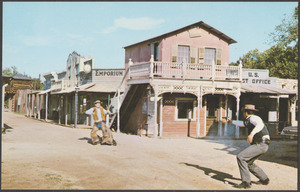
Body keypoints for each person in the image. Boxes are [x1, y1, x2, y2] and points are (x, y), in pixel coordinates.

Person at [227, 104, 270, 189]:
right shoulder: (250, 119)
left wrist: (251, 134)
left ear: (245, 113)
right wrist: (231, 121)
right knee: (249, 163)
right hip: (263, 144)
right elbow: (242, 123)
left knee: (241, 157)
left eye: (243, 112)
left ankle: (246, 182)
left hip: (261, 144)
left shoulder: (254, 118)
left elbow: (259, 125)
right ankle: (264, 179)